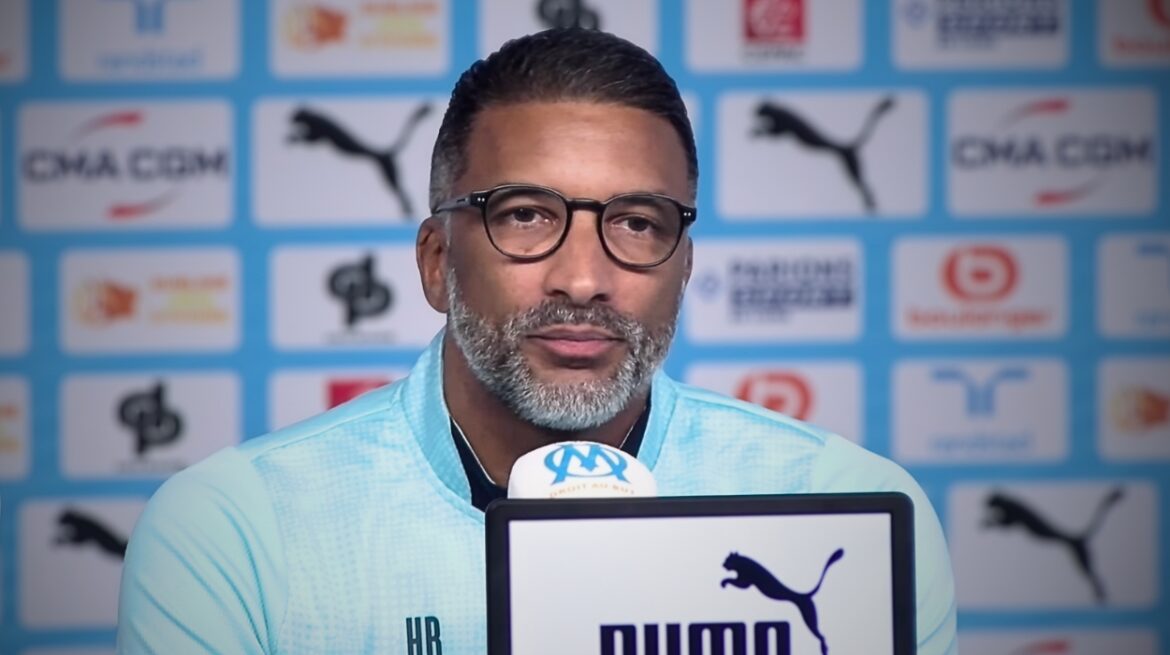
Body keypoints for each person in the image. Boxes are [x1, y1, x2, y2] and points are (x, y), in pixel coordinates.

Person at [117, 28, 957, 654]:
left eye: (637, 222)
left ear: (684, 266)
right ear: (437, 262)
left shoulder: (847, 512)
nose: (583, 279)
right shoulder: (237, 533)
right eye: (525, 216)